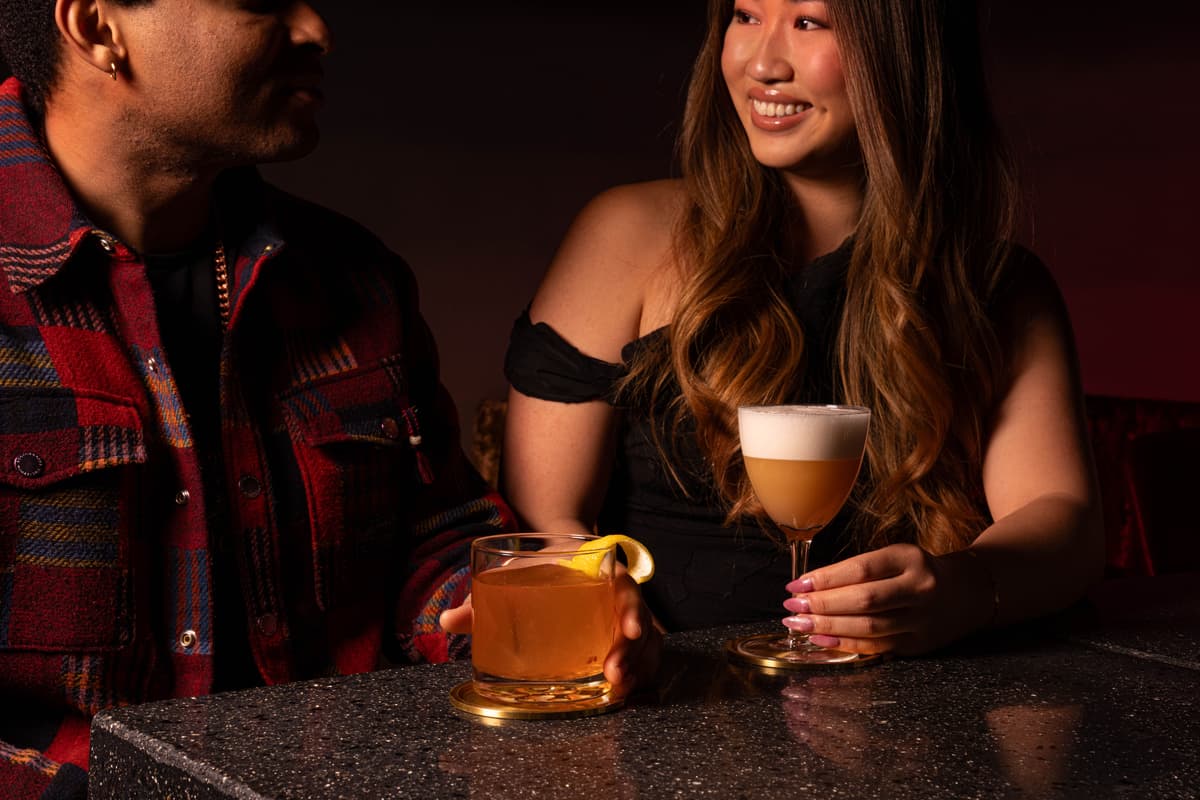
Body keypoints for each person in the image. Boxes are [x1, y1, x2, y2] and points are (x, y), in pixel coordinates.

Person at [0, 2, 653, 797]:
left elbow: (436, 538)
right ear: (98, 27)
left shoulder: (351, 275)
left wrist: (527, 606)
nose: (316, 29)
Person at [502, 0, 1104, 653]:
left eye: (809, 22)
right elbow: (545, 522)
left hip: (914, 697)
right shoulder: (625, 236)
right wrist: (605, 615)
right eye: (745, 16)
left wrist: (966, 586)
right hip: (671, 694)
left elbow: (1062, 521)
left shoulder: (999, 285)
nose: (762, 64)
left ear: (903, 50)